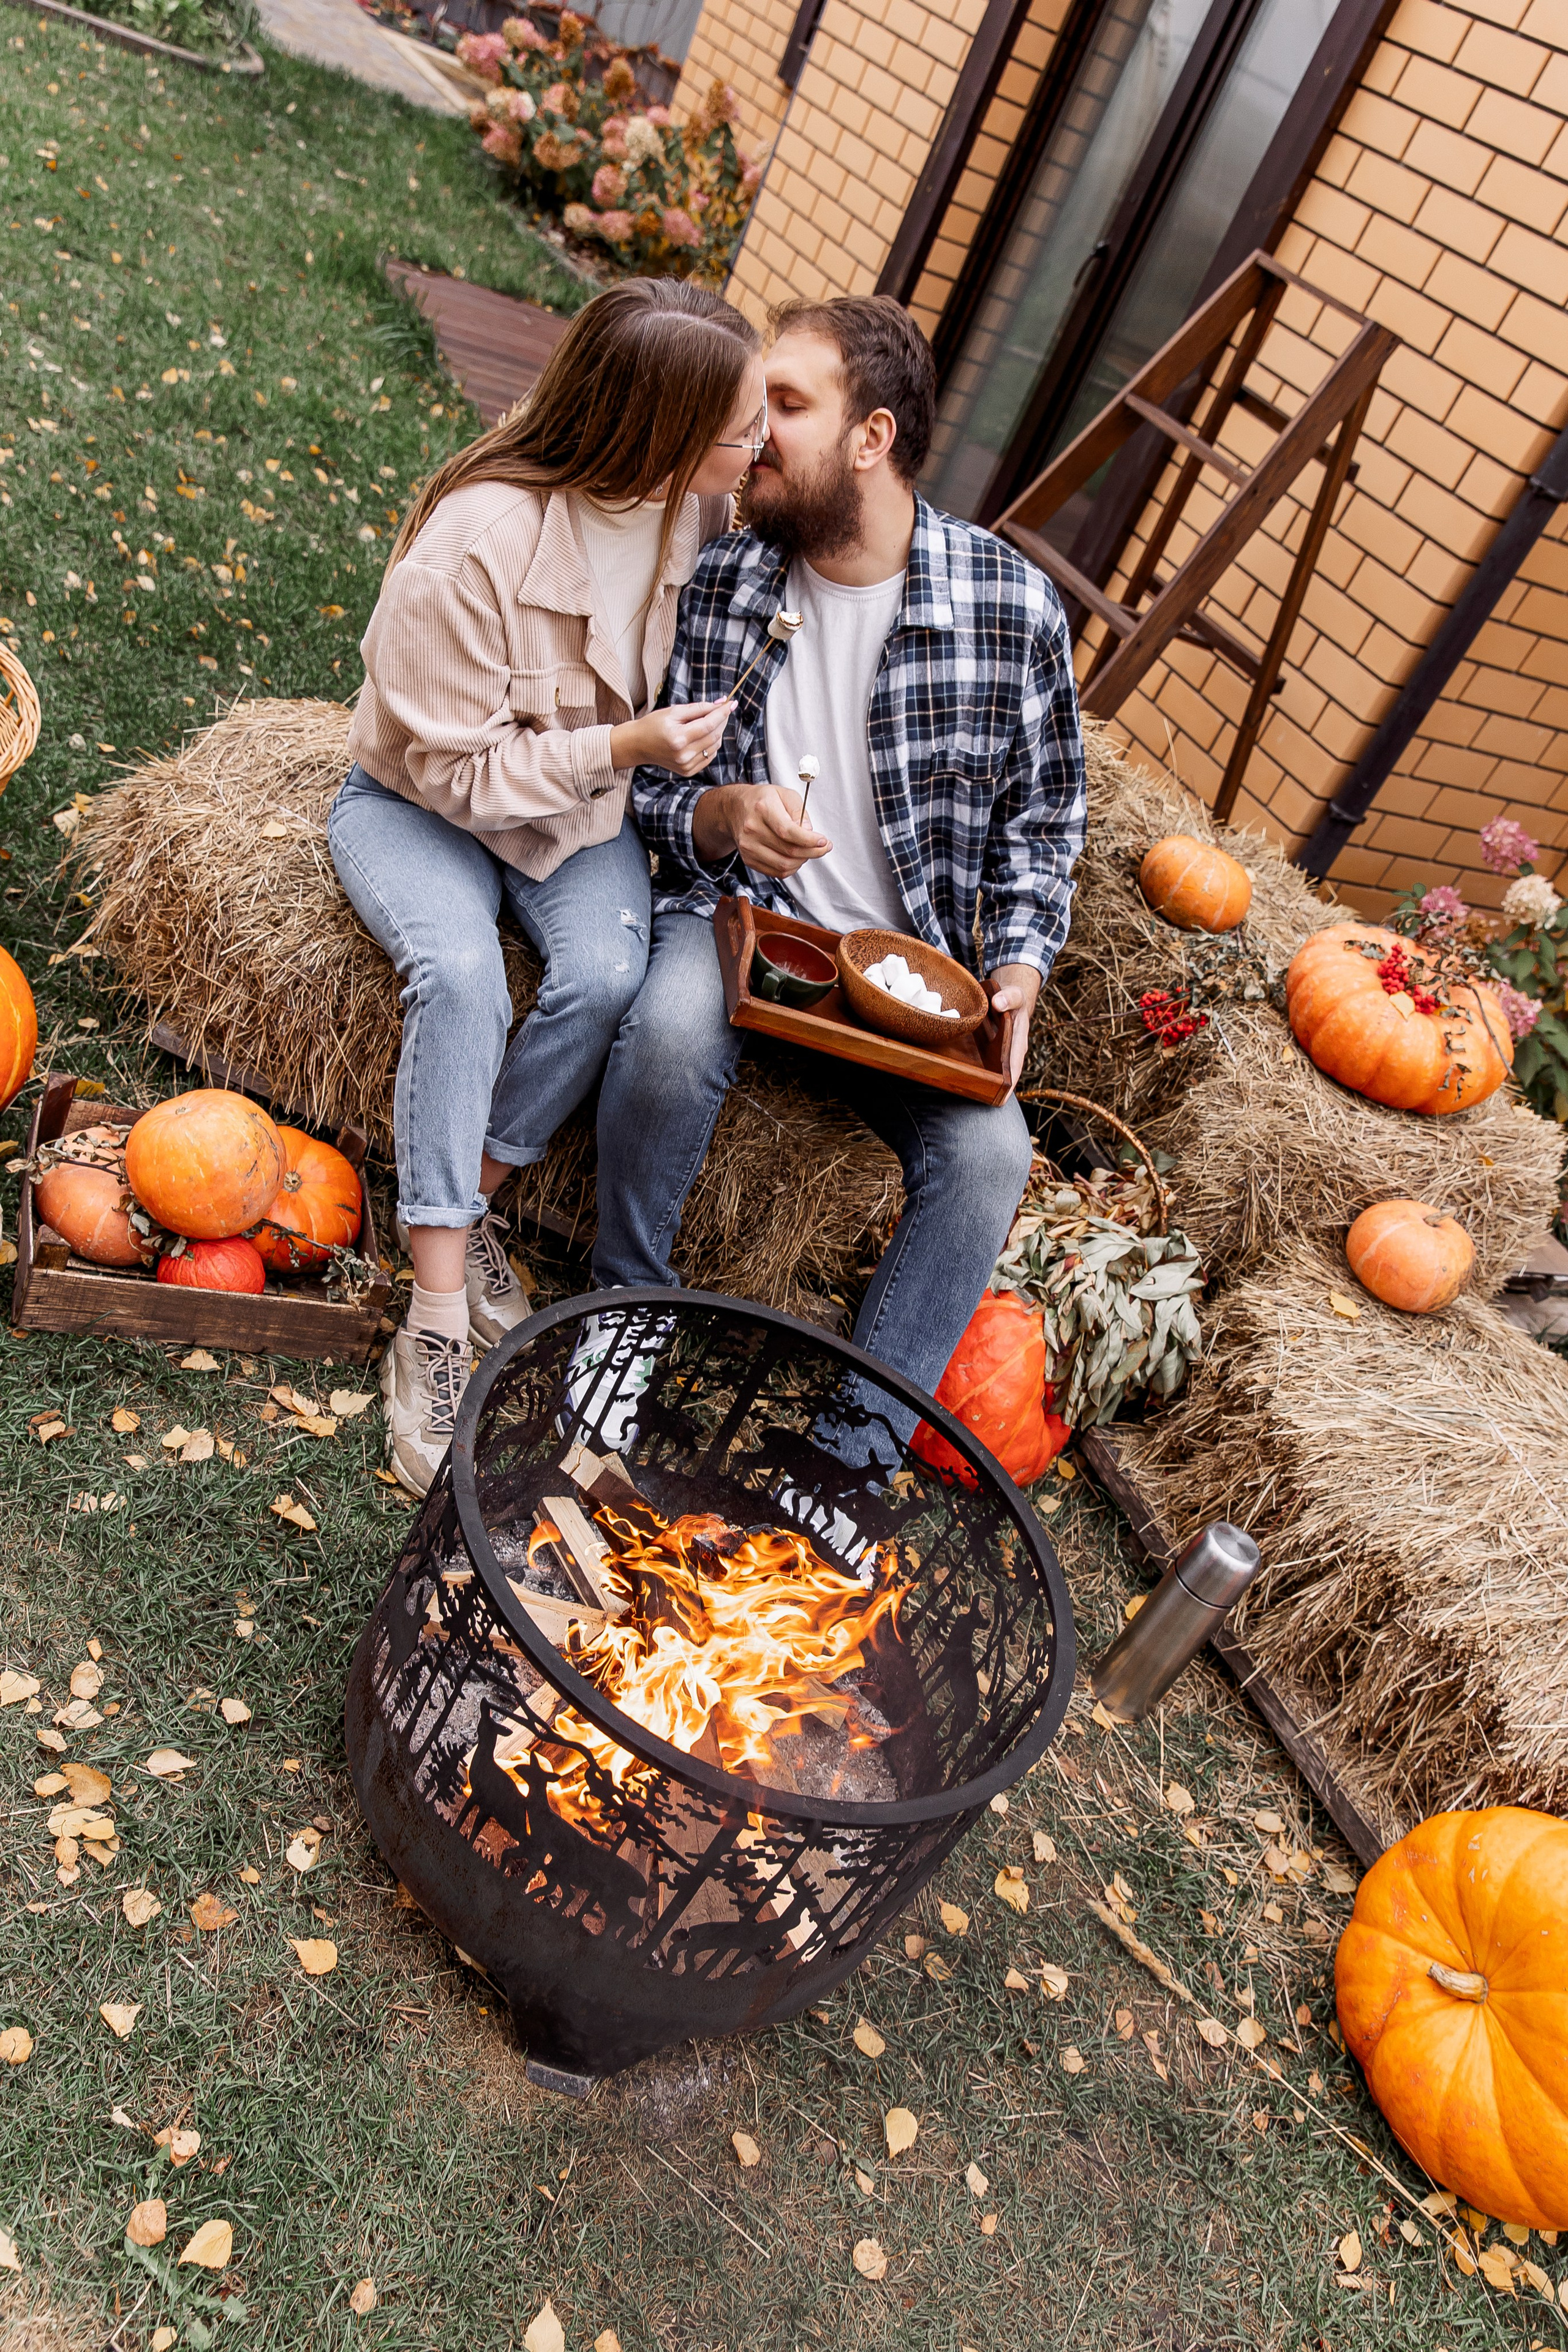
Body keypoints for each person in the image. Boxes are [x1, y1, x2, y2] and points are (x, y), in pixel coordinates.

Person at [579, 294, 1086, 1457]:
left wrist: (1016, 968)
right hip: (743, 931)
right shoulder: (723, 578)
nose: (755, 434)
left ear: (875, 438)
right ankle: (624, 1315)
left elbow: (1044, 822)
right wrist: (719, 815)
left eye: (788, 407)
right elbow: (648, 793)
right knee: (663, 1039)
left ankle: (857, 1441)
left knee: (991, 1156)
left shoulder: (1010, 610)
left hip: (912, 979)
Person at [330, 279, 766, 1494]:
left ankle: (466, 1210)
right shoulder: (479, 540)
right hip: (421, 804)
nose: (757, 447)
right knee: (462, 976)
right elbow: (455, 771)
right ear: (662, 428)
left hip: (569, 817)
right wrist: (627, 750)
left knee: (608, 973)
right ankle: (429, 1317)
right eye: (738, 428)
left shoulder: (685, 514)